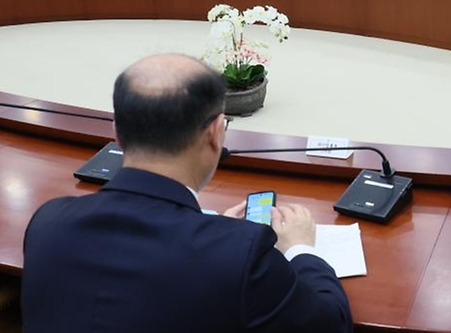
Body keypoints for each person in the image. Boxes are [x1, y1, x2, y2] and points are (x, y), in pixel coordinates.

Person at [21, 54, 353, 332]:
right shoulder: (242, 254)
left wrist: (214, 233)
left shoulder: (48, 222)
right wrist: (301, 249)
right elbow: (331, 325)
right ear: (215, 133)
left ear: (117, 135)